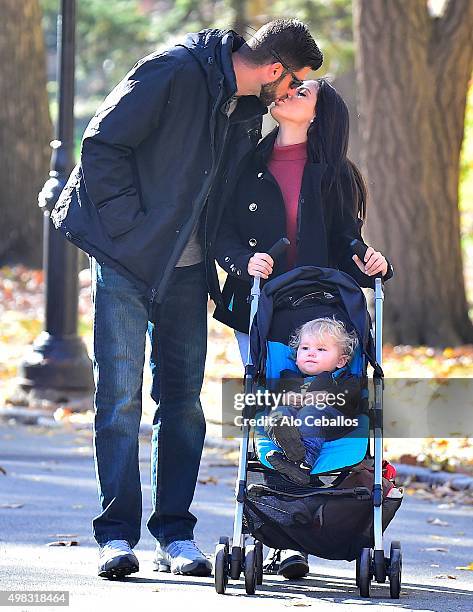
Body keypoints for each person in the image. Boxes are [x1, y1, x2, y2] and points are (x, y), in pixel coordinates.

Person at [51, 20, 323, 579]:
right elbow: (102, 146)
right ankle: (116, 536)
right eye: (293, 81)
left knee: (183, 403)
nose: (291, 92)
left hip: (189, 271)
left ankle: (175, 535)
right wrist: (134, 232)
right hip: (127, 262)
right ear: (273, 70)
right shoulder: (173, 71)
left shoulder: (244, 109)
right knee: (120, 399)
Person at [214, 78, 393, 578]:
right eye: (288, 89)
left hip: (317, 316)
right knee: (270, 406)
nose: (287, 93)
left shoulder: (338, 175)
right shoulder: (246, 161)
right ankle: (276, 531)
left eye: (302, 92)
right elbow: (220, 231)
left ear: (320, 114)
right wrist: (242, 260)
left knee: (318, 411)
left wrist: (370, 261)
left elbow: (345, 242)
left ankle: (298, 536)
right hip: (261, 305)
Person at [265, 317, 361, 485]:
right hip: (294, 423)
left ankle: (304, 462)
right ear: (296, 357)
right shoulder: (289, 377)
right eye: (305, 348)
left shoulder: (342, 379)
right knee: (278, 412)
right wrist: (285, 398)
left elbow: (353, 396)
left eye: (321, 349)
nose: (311, 353)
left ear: (340, 361)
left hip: (332, 422)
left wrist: (328, 396)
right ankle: (291, 446)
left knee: (311, 411)